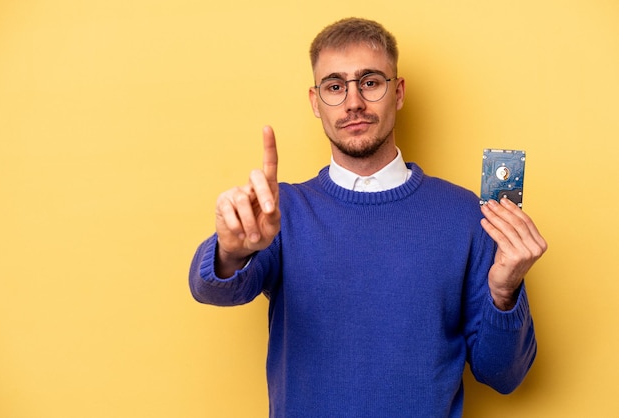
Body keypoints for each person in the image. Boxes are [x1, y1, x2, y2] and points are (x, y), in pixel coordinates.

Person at [189, 17, 547, 418]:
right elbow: (211, 292)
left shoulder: (467, 215)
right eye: (335, 86)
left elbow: (505, 375)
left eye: (371, 82)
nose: (353, 102)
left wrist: (504, 293)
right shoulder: (280, 210)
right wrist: (231, 252)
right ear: (315, 101)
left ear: (398, 92)